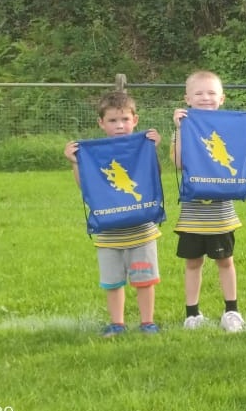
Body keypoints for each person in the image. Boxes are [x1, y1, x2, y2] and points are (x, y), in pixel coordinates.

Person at [171, 70, 246, 332]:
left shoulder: (233, 128)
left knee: (225, 261)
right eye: (199, 93)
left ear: (222, 98)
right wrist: (179, 130)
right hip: (192, 215)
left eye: (211, 93)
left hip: (222, 215)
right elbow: (178, 162)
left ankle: (231, 311)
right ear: (187, 99)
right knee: (193, 263)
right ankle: (192, 314)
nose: (205, 97)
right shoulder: (186, 127)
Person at [64, 91, 162, 337]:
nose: (120, 126)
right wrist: (75, 162)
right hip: (109, 232)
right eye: (112, 120)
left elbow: (153, 176)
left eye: (125, 119)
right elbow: (86, 186)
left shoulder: (143, 146)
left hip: (141, 230)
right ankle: (117, 324)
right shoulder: (95, 154)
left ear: (135, 120)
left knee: (144, 280)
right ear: (101, 123)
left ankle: (147, 322)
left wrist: (153, 149)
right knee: (112, 282)